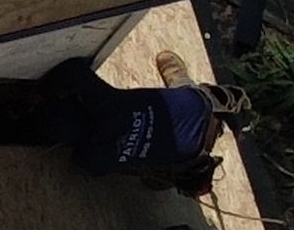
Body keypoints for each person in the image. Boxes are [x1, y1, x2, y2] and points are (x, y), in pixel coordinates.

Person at [37, 50, 246, 197]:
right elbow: (82, 163)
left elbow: (72, 70)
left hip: (193, 120)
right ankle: (200, 93)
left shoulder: (110, 113)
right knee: (192, 99)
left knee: (194, 99)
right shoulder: (103, 138)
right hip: (191, 119)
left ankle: (205, 98)